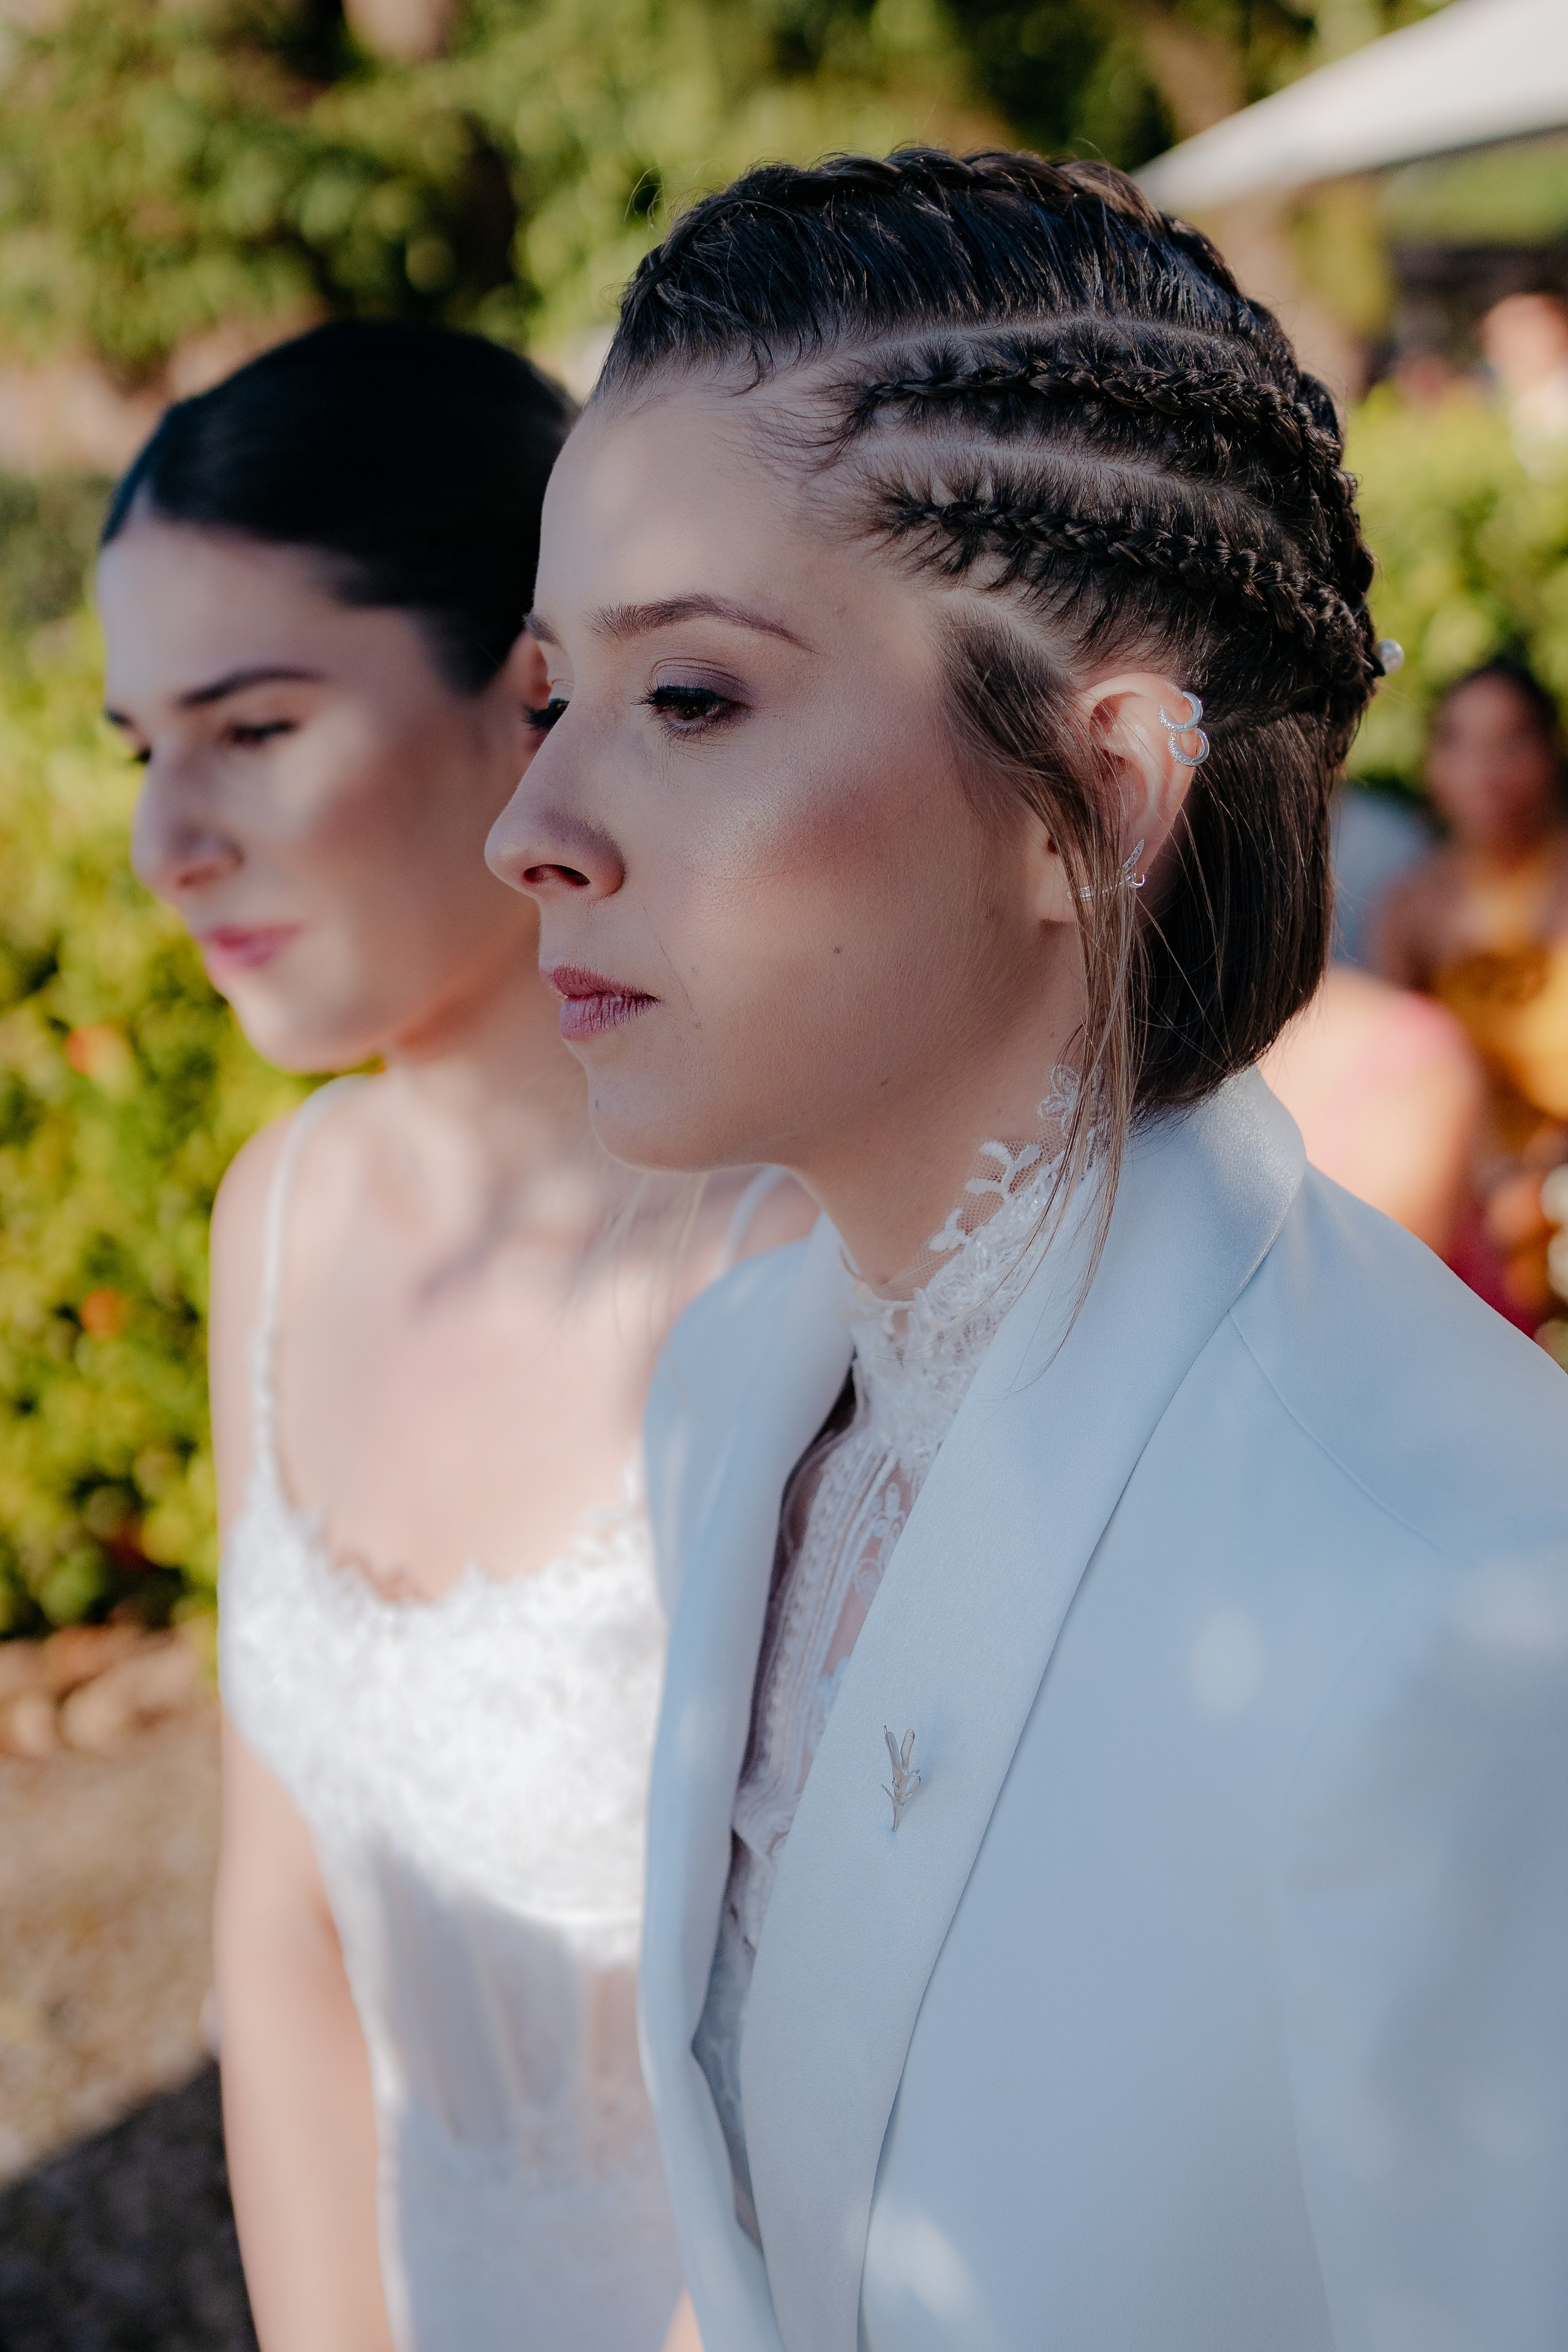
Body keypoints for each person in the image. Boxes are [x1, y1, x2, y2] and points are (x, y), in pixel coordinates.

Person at [488, 150, 1568, 2352]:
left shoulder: (1444, 1589)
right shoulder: (735, 1391)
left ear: (1100, 794)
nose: (530, 830)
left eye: (687, 699)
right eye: (546, 697)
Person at [96, 321, 800, 2352]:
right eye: (148, 746)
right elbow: (286, 1916)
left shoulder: (784, 1272)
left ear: (534, 699)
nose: (169, 843)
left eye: (254, 725)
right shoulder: (279, 1220)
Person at [1375, 657, 1568, 1327]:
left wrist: (1541, 1180)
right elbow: (1399, 1075)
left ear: (1548, 753)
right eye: (1461, 743)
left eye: (1509, 743)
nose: (1485, 770)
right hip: (1468, 1185)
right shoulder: (1414, 907)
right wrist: (1490, 1181)